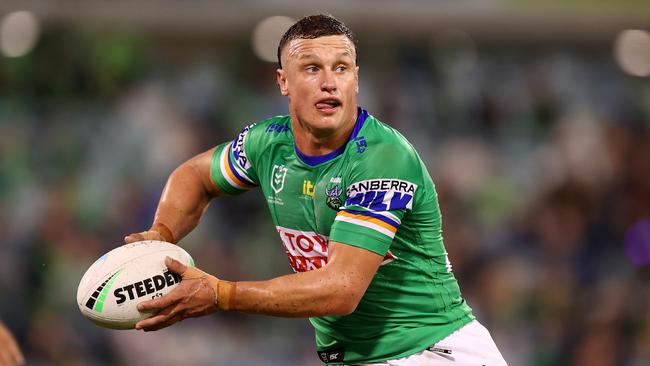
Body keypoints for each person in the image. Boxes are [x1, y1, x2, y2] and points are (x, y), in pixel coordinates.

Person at [125, 14, 507, 365]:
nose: (329, 82)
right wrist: (161, 235)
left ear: (355, 78)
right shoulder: (268, 142)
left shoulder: (382, 158)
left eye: (341, 68)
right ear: (283, 82)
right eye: (312, 68)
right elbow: (195, 176)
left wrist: (222, 294)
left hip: (432, 352)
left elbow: (341, 290)